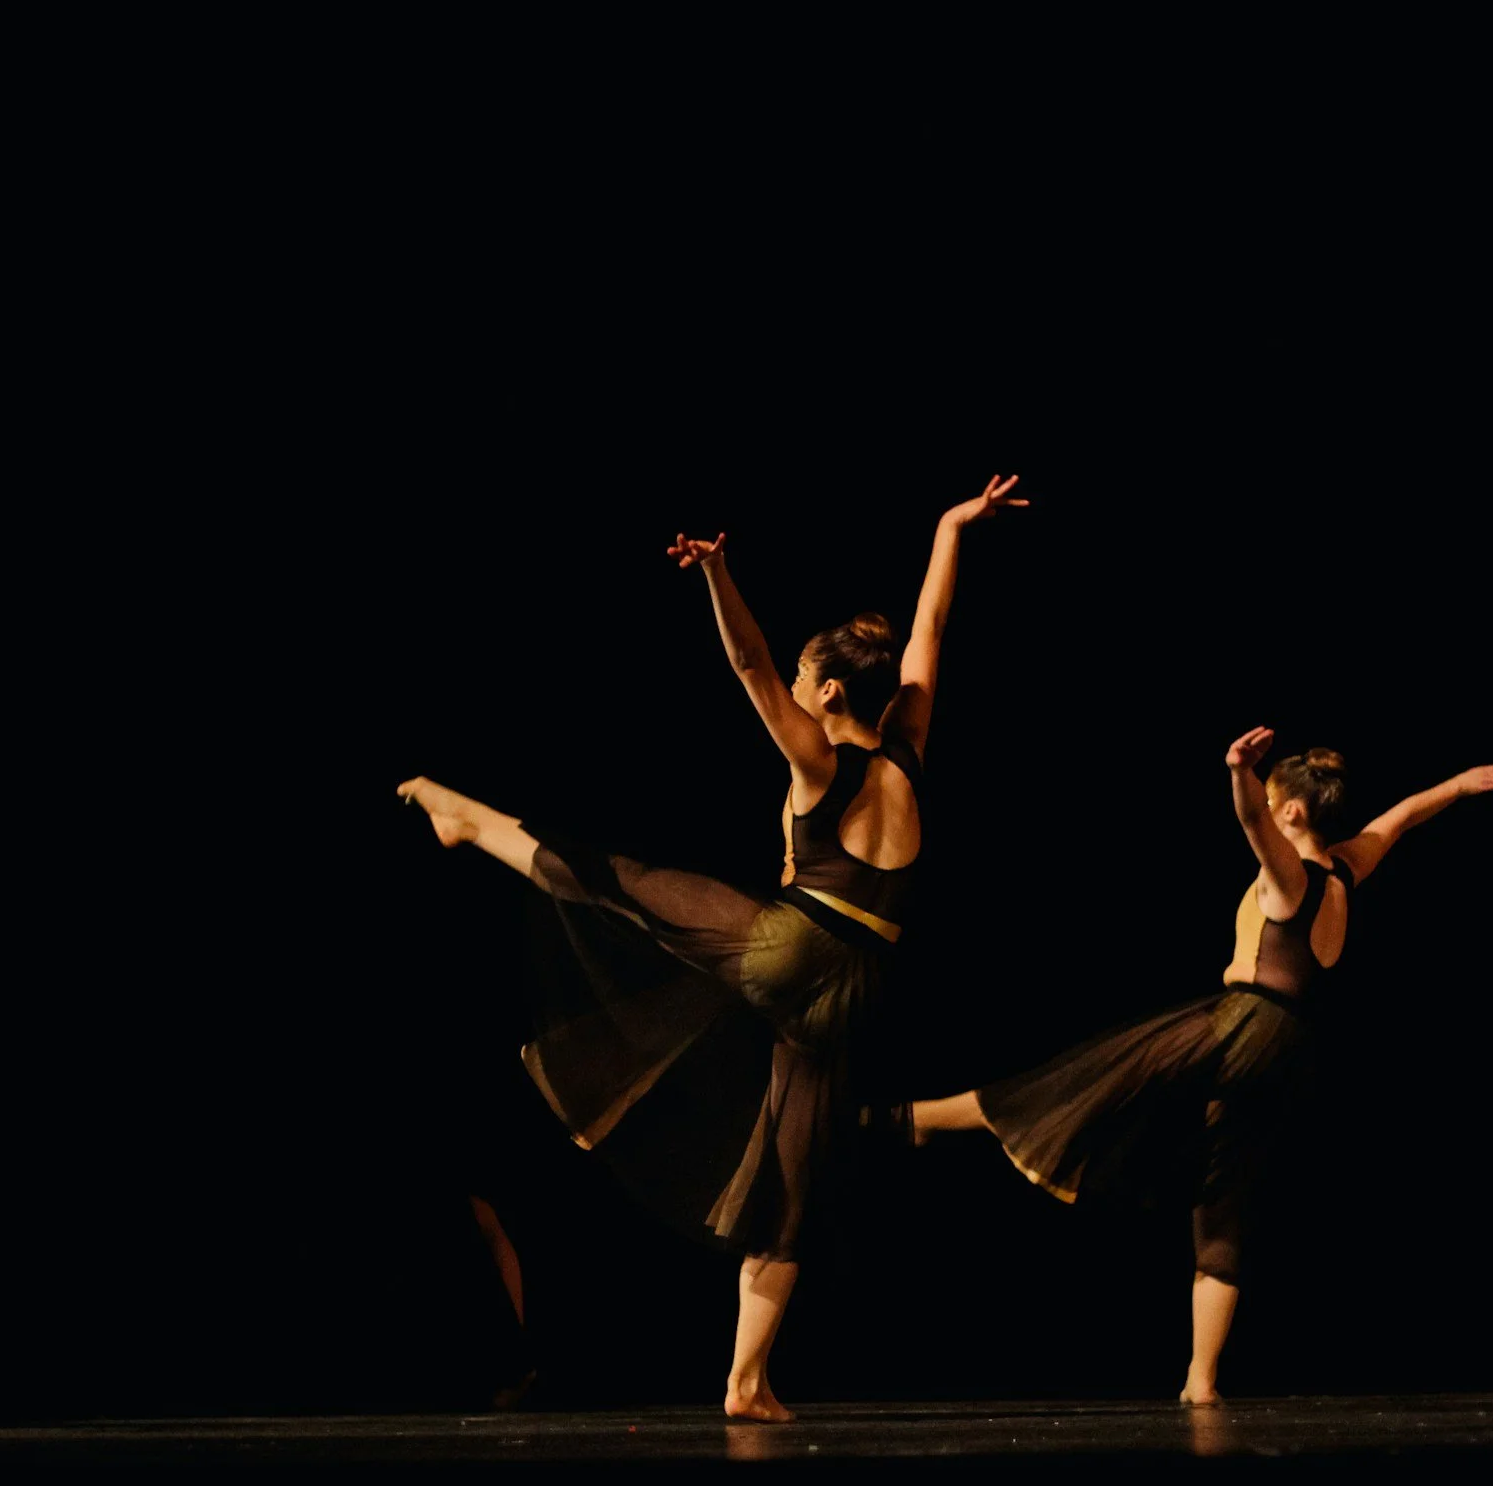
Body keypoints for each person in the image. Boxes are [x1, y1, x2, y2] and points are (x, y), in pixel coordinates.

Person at [399, 475, 1027, 1420]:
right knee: (789, 1178)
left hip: (792, 946)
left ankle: (466, 820)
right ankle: (747, 1381)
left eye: (805, 686)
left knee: (629, 887)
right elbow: (932, 626)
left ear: (823, 693)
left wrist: (719, 574)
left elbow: (748, 665)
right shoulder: (909, 747)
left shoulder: (822, 758)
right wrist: (952, 528)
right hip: (854, 986)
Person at [913, 729, 1493, 1403]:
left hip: (1243, 1024)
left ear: (1292, 812)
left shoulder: (1287, 876)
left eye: (1273, 800)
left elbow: (1251, 819)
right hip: (1289, 1051)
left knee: (1095, 1073)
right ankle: (1200, 1379)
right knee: (1223, 1195)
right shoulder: (1347, 868)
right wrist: (1460, 785)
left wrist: (1238, 772)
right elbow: (1400, 817)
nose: (1266, 806)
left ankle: (924, 1119)